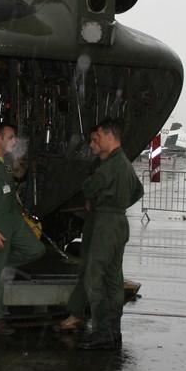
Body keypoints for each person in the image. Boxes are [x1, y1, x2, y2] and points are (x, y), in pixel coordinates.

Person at [0, 122, 45, 335]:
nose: (14, 141)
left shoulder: (6, 163)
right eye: (11, 137)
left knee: (36, 250)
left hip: (13, 220)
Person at [77, 117, 144, 350]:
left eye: (99, 136)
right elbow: (138, 190)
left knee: (94, 277)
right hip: (119, 221)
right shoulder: (124, 162)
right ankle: (114, 330)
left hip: (105, 221)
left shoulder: (110, 166)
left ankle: (102, 332)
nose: (97, 140)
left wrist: (96, 198)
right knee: (114, 278)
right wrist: (120, 202)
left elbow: (89, 187)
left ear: (109, 136)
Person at [53, 127, 100, 333]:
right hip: (97, 220)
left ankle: (103, 328)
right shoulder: (101, 164)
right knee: (88, 270)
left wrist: (108, 206)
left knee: (98, 272)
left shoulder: (114, 165)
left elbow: (134, 191)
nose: (91, 145)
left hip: (105, 222)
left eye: (95, 140)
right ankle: (78, 315)